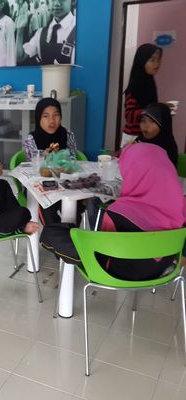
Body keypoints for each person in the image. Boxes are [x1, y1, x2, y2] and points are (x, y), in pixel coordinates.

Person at [41, 143, 185, 281]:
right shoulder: (181, 206)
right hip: (161, 269)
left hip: (116, 274)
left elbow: (102, 250)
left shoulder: (118, 212)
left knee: (51, 232)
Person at [23, 97, 78, 224]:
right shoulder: (31, 139)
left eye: (56, 115)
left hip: (64, 182)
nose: (52, 120)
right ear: (38, 118)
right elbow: (32, 168)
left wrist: (62, 159)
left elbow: (73, 160)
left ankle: (69, 231)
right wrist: (43, 158)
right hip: (39, 185)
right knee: (47, 207)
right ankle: (55, 233)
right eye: (46, 116)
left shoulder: (68, 135)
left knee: (76, 203)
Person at [122, 43, 162, 146]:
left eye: (158, 60)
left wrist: (161, 110)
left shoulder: (150, 82)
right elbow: (129, 115)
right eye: (152, 60)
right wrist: (152, 112)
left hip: (145, 135)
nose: (157, 64)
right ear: (142, 61)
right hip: (133, 137)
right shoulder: (136, 85)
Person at [22, 0, 76, 65]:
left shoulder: (80, 29)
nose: (56, 4)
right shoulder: (40, 33)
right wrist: (20, 28)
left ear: (73, 1)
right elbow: (21, 57)